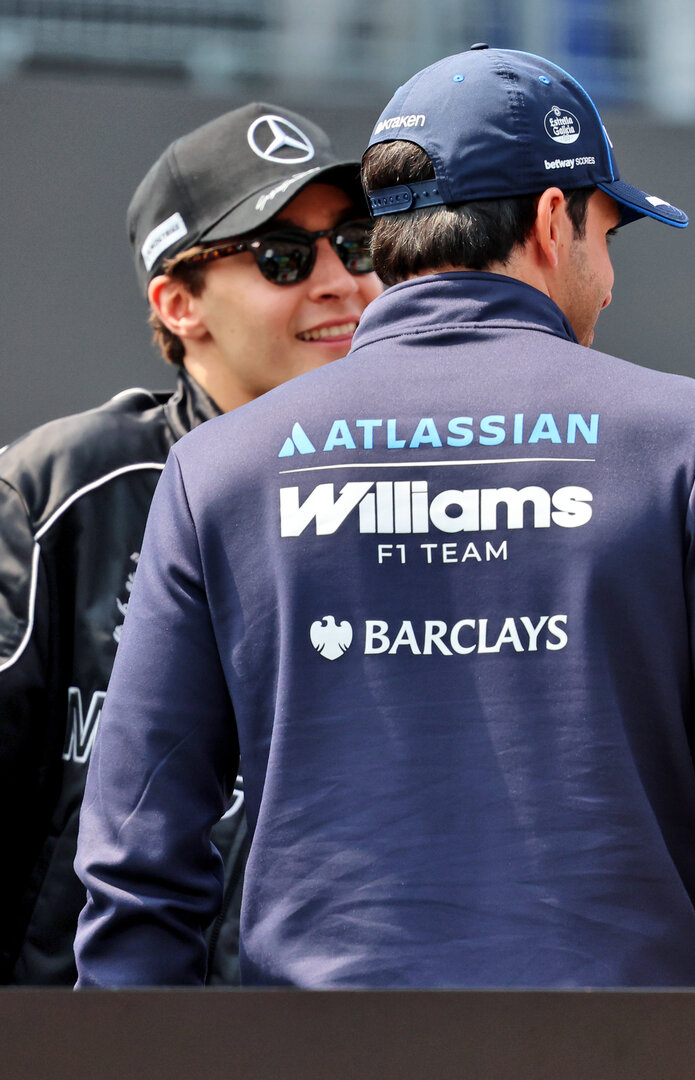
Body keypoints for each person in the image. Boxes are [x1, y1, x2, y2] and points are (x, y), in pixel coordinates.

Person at [74, 46, 695, 989]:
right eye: (608, 238)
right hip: (624, 1052)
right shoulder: (682, 439)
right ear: (553, 221)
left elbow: (137, 846)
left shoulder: (216, 469)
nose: (610, 279)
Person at [0, 103, 380, 985]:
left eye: (356, 244)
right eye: (285, 256)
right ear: (178, 304)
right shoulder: (56, 492)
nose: (340, 283)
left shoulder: (422, 497)